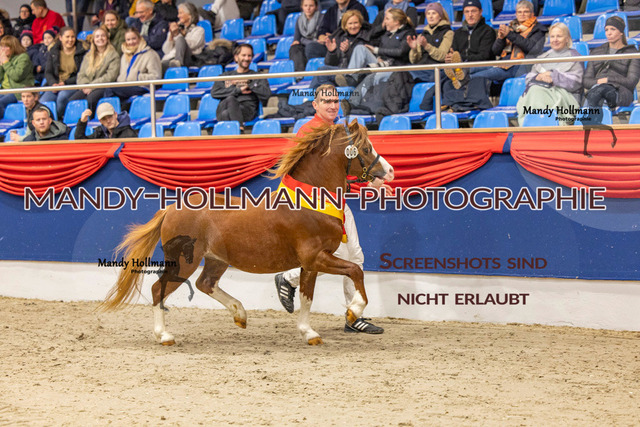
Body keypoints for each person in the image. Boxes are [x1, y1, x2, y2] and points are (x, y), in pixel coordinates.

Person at [275, 83, 393, 334]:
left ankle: (354, 316)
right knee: (336, 256)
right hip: (311, 206)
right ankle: (290, 278)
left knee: (355, 256)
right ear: (315, 105)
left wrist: (370, 181)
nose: (332, 105)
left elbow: (344, 171)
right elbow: (302, 173)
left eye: (335, 101)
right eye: (326, 101)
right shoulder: (309, 132)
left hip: (335, 204)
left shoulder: (340, 133)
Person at [341, 8, 414, 111]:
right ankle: (350, 77)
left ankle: (352, 103)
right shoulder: (386, 33)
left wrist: (377, 51)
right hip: (382, 64)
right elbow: (370, 37)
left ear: (396, 22)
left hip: (396, 69)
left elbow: (400, 52)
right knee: (360, 48)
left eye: (387, 19)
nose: (384, 22)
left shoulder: (408, 33)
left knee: (371, 77)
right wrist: (379, 57)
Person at [516, 23, 583, 126]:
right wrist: (538, 77)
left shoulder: (575, 57)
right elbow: (528, 78)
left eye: (559, 36)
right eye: (552, 36)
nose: (555, 39)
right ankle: (537, 125)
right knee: (534, 90)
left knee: (537, 91)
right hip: (539, 90)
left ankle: (542, 124)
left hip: (567, 97)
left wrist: (553, 76)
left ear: (567, 39)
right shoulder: (542, 57)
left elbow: (575, 82)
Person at [583, 16, 640, 111]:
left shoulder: (632, 53)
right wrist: (598, 82)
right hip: (597, 89)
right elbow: (586, 81)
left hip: (621, 92)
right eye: (606, 30)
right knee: (597, 93)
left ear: (621, 32)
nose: (609, 33)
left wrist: (608, 80)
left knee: (596, 94)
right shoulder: (596, 52)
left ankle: (587, 119)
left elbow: (631, 81)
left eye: (613, 29)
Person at [210, 44, 271, 132]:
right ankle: (240, 129)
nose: (246, 58)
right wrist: (239, 90)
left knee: (226, 112)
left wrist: (249, 84)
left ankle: (236, 132)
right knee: (229, 101)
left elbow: (267, 94)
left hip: (247, 110)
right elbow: (214, 93)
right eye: (243, 55)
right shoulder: (226, 76)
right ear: (236, 57)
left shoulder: (257, 76)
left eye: (249, 56)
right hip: (225, 107)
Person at [309, 10, 371, 88]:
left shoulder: (367, 37)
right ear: (345, 26)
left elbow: (362, 61)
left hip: (357, 74)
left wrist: (348, 51)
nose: (353, 26)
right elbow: (329, 63)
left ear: (360, 24)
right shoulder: (339, 37)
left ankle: (307, 94)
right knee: (322, 75)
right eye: (350, 23)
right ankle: (310, 94)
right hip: (341, 73)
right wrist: (332, 52)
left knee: (322, 71)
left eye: (356, 23)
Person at [68, 27, 120, 112]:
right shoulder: (88, 55)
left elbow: (110, 76)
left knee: (90, 100)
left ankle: (89, 119)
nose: (100, 38)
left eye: (103, 36)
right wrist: (85, 86)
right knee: (72, 101)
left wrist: (92, 86)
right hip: (87, 86)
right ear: (93, 40)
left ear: (107, 38)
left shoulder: (113, 55)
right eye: (97, 36)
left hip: (103, 87)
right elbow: (81, 74)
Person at [104, 27, 162, 102]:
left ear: (139, 38)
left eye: (134, 38)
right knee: (105, 90)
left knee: (110, 90)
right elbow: (122, 75)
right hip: (126, 86)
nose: (131, 42)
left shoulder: (150, 54)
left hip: (143, 87)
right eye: (128, 40)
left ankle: (109, 109)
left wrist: (137, 76)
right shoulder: (124, 55)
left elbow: (156, 77)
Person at [40, 26, 86, 121]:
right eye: (67, 37)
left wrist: (65, 83)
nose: (70, 40)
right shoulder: (54, 51)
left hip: (73, 84)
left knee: (62, 97)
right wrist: (53, 84)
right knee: (44, 101)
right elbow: (48, 72)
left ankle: (57, 121)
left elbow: (82, 73)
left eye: (72, 37)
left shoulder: (81, 51)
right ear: (60, 38)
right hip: (56, 85)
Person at [305, 0, 369, 61]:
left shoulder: (358, 8)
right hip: (332, 45)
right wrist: (322, 37)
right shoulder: (331, 10)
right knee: (311, 47)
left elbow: (359, 30)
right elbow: (322, 29)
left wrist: (334, 36)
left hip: (349, 45)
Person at [406, 2, 453, 83]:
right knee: (404, 72)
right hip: (422, 68)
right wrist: (414, 49)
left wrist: (426, 46)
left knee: (408, 75)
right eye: (428, 14)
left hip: (437, 68)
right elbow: (414, 61)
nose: (430, 16)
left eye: (434, 13)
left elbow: (442, 56)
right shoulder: (422, 34)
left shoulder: (448, 33)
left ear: (440, 16)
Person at [161, 2, 204, 71]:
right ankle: (175, 64)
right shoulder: (177, 30)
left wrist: (178, 35)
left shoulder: (199, 30)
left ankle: (178, 63)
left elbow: (192, 45)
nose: (178, 16)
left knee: (180, 39)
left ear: (190, 15)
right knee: (157, 65)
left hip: (189, 59)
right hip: (170, 59)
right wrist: (171, 35)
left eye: (181, 13)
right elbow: (166, 50)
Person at [0, 35, 34, 118]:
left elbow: (17, 76)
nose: (2, 49)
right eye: (1, 46)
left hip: (17, 92)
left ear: (13, 47)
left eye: (6, 47)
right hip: (4, 90)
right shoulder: (5, 58)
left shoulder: (23, 57)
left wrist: (6, 63)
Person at [289, 0, 323, 72]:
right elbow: (297, 39)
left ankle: (309, 72)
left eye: (311, 6)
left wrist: (302, 40)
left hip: (317, 45)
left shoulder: (322, 18)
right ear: (302, 7)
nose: (308, 8)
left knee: (310, 47)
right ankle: (299, 74)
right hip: (306, 45)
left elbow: (319, 39)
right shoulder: (299, 19)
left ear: (316, 7)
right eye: (305, 6)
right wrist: (297, 41)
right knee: (294, 48)